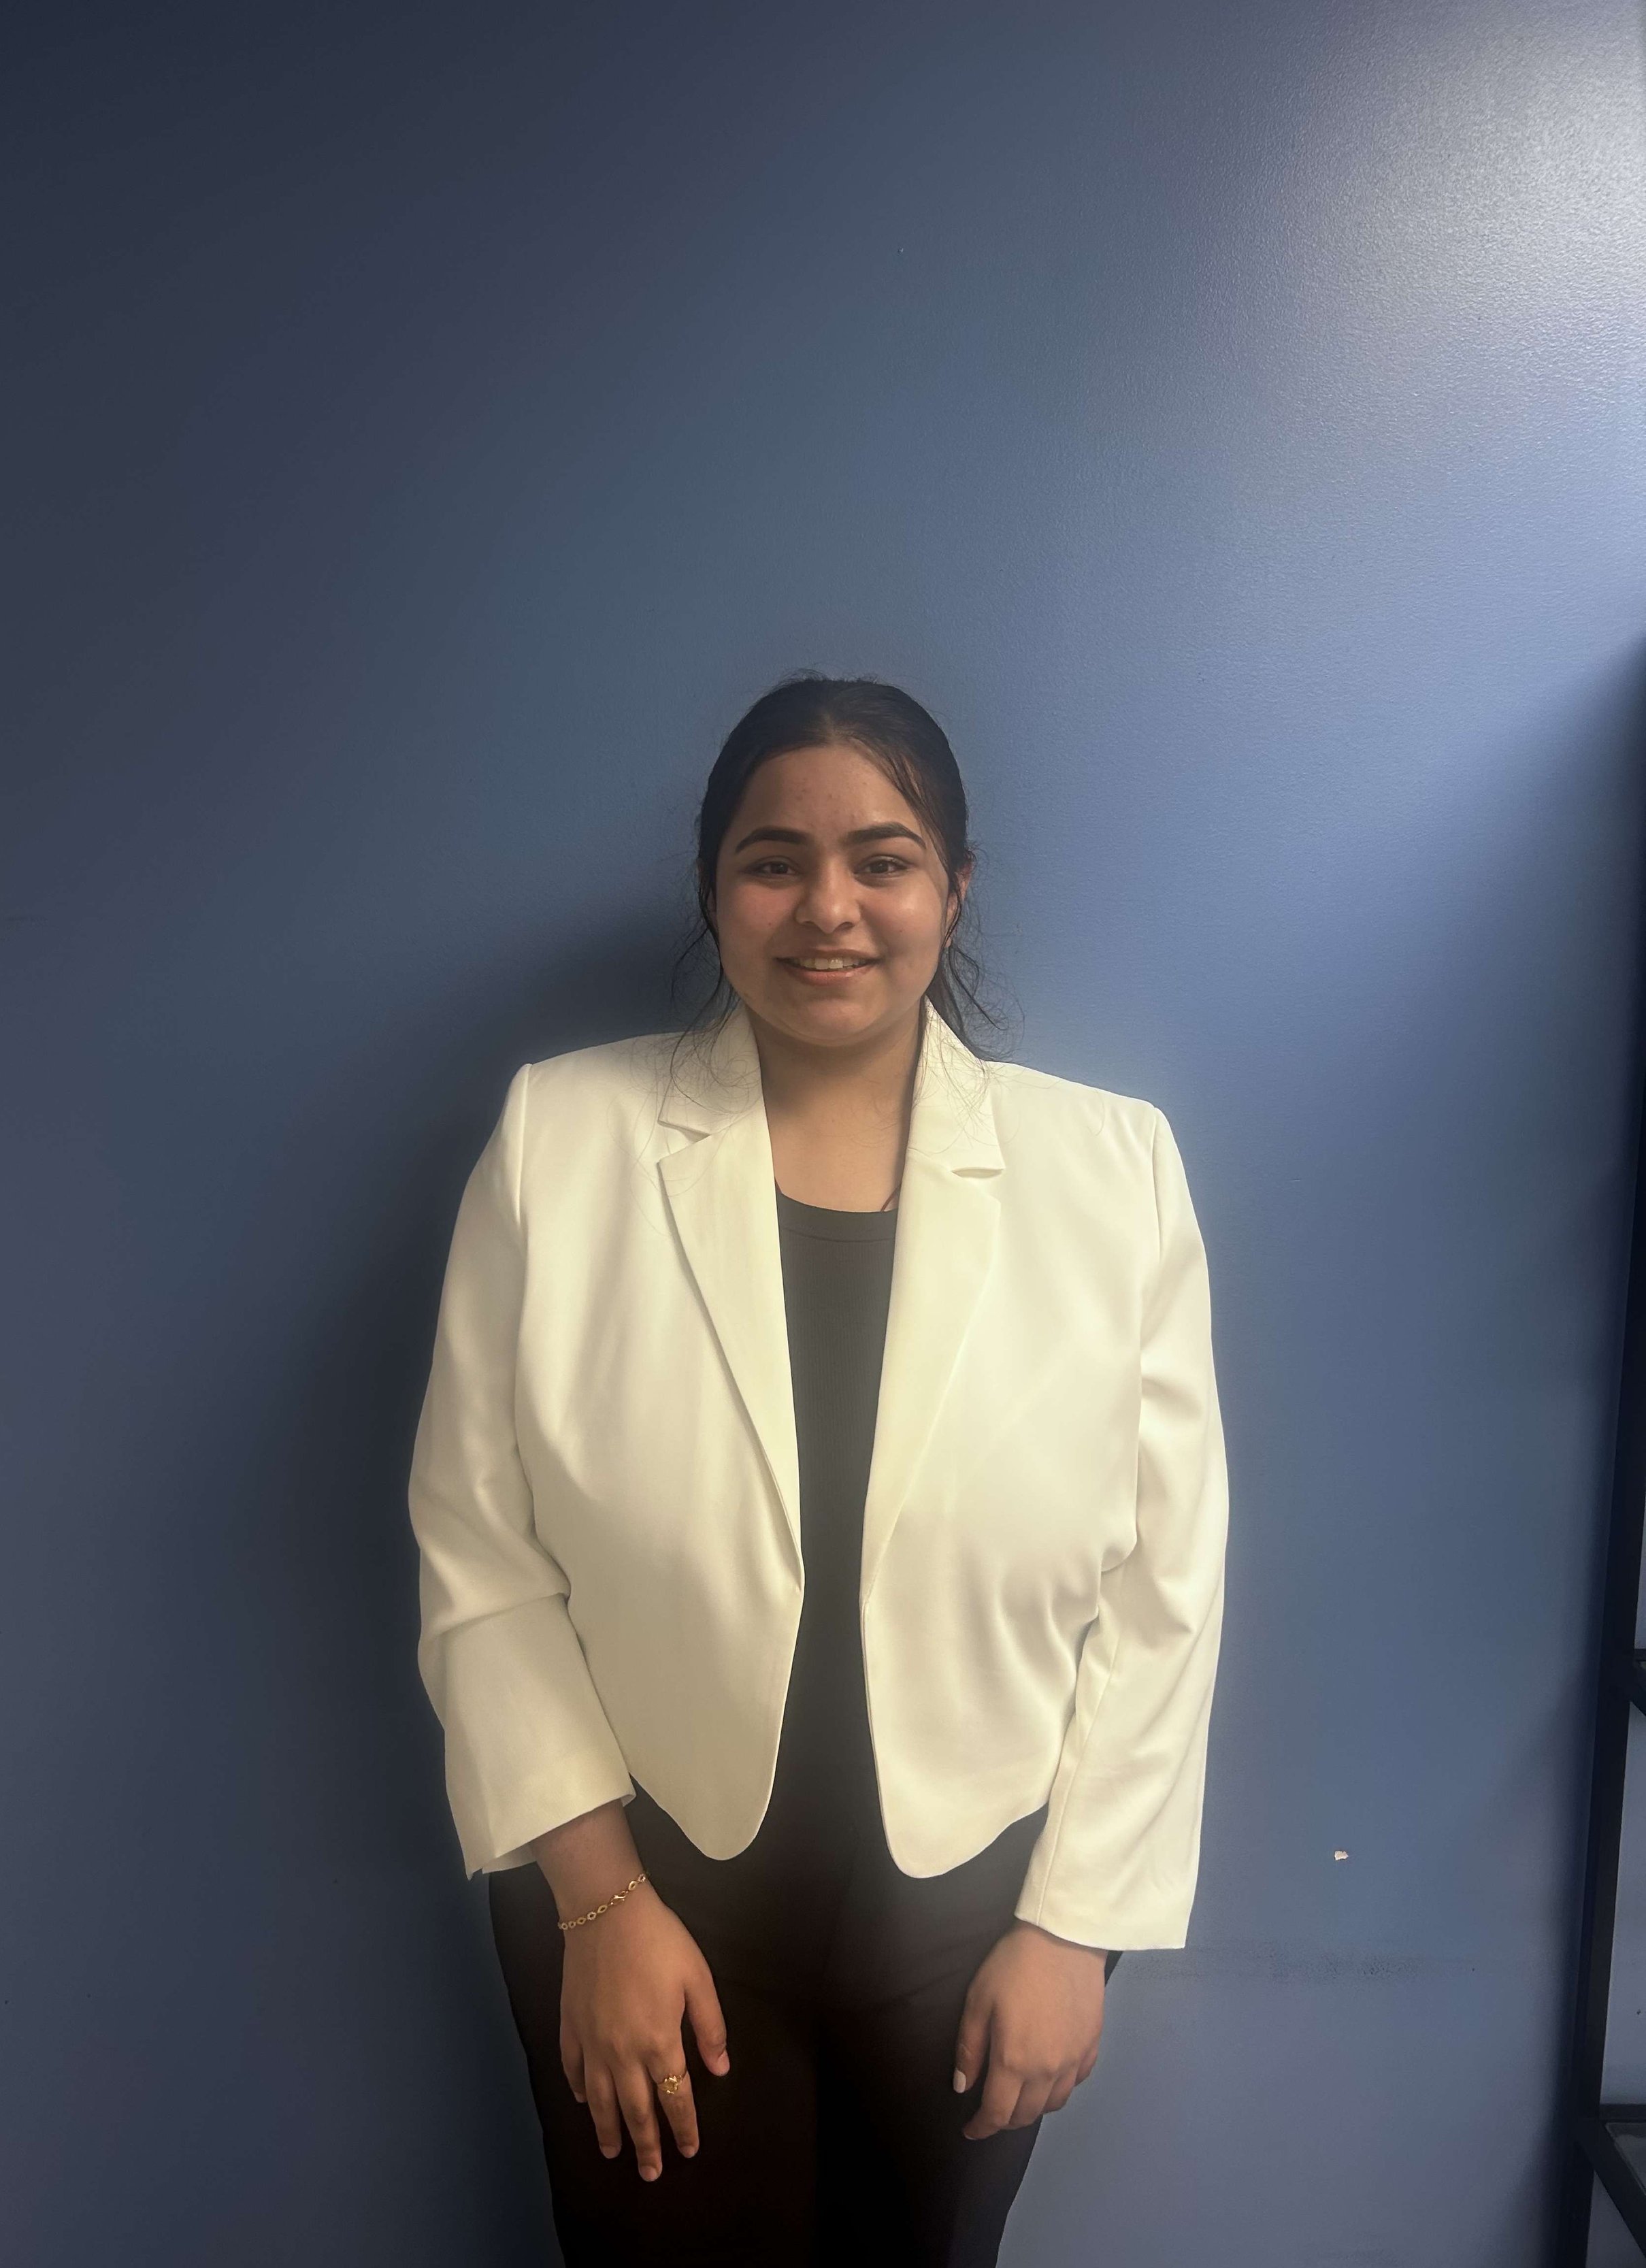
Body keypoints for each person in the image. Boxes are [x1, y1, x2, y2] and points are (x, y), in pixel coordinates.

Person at [406, 672, 1229, 2265]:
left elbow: (1165, 1587)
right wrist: (596, 1902)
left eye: (884, 856)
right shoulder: (561, 1139)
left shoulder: (1107, 1168)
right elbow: (477, 1541)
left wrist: (1075, 1924)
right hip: (637, 1901)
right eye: (773, 859)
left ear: (953, 885)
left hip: (977, 1917)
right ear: (714, 889)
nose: (828, 907)